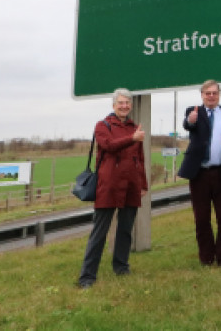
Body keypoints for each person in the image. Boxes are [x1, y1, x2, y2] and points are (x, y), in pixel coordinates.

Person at [78, 88, 148, 289]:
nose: (124, 106)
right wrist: (132, 139)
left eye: (127, 103)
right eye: (121, 103)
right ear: (113, 105)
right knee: (100, 232)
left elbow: (139, 159)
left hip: (131, 185)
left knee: (125, 230)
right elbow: (108, 145)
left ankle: (121, 267)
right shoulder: (102, 125)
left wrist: (142, 183)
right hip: (108, 185)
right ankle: (87, 277)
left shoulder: (135, 127)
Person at [178, 80, 221, 268]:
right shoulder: (193, 112)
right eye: (207, 93)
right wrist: (190, 120)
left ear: (219, 94)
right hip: (199, 174)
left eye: (214, 93)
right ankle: (206, 258)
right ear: (201, 95)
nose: (211, 96)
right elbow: (188, 125)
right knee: (202, 220)